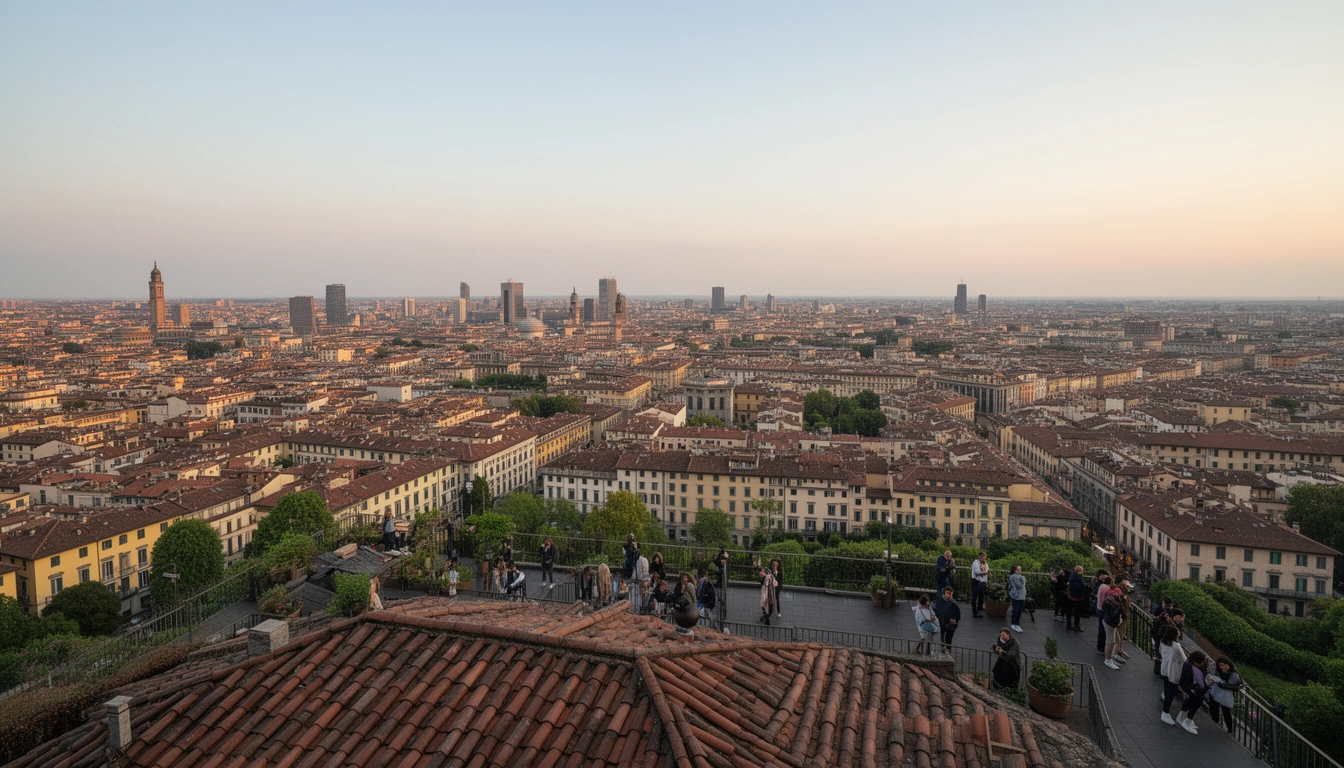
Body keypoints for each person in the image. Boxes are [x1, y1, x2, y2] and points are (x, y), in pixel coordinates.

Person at [1159, 626, 1188, 726]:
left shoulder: (1162, 642)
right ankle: (1165, 712)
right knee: (1171, 693)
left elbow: (1160, 652)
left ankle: (1165, 711)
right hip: (1173, 671)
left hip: (1164, 669)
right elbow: (1184, 659)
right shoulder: (1176, 645)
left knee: (1167, 689)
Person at [1206, 656, 1243, 735]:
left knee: (1226, 712)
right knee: (1214, 708)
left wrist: (1221, 684)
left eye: (1223, 665)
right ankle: (1216, 721)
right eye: (1220, 665)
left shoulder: (1234, 675)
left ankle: (1230, 729)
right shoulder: (1218, 671)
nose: (1221, 667)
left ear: (1227, 665)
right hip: (1216, 693)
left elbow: (1234, 685)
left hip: (1225, 695)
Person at [1177, 651, 1209, 734]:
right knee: (1196, 703)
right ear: (1195, 661)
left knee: (1190, 702)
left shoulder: (1189, 665)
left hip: (1191, 688)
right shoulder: (1192, 668)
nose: (1202, 665)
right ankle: (1187, 720)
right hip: (1193, 689)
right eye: (1201, 663)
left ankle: (1182, 717)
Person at [934, 585, 961, 653]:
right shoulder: (939, 600)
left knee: (948, 639)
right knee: (941, 639)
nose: (949, 595)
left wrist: (955, 620)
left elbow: (958, 615)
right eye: (947, 593)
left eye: (950, 594)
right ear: (944, 593)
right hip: (941, 623)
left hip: (950, 625)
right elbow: (936, 609)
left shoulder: (954, 604)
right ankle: (942, 650)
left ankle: (948, 651)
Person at [1093, 571, 1112, 654]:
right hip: (1103, 610)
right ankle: (1101, 647)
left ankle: (1100, 646)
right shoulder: (1107, 589)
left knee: (1101, 628)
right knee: (1103, 629)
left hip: (1098, 608)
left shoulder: (1101, 586)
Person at [1066, 565, 1087, 631]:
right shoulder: (1079, 579)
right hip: (1078, 598)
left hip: (1071, 596)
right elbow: (1082, 587)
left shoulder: (1071, 576)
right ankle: (1076, 625)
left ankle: (1068, 625)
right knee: (1077, 613)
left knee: (1069, 612)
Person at [1007, 565, 1027, 633]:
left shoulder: (1020, 577)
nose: (1019, 571)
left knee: (1020, 610)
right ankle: (1013, 623)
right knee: (1015, 609)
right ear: (1014, 570)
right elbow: (1020, 585)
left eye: (1020, 569)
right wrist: (1023, 579)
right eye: (1017, 569)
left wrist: (1022, 579)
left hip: (1021, 596)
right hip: (1016, 596)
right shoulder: (1013, 576)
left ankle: (1017, 623)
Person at [970, 552, 990, 618]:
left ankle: (979, 609)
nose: (983, 559)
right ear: (979, 557)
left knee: (981, 597)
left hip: (982, 582)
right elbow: (977, 572)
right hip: (976, 581)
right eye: (982, 557)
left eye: (984, 557)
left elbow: (987, 570)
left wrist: (987, 573)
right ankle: (974, 612)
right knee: (975, 597)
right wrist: (984, 573)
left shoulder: (985, 564)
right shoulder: (975, 563)